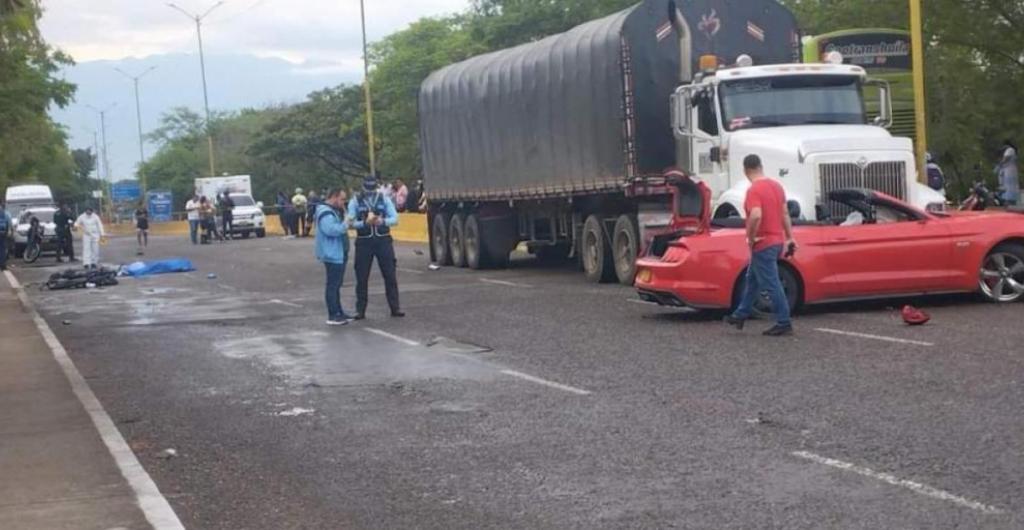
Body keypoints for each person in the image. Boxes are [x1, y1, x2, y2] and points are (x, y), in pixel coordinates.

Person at [723, 154, 795, 336]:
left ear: (746, 170)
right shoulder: (777, 186)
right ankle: (740, 314)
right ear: (761, 166)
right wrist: (789, 237)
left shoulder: (754, 190)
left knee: (771, 283)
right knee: (752, 279)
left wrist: (751, 236)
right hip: (777, 241)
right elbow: (785, 213)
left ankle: (784, 321)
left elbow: (755, 214)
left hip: (763, 243)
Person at [348, 175, 404, 319]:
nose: (370, 191)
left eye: (372, 188)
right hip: (364, 241)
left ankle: (395, 307)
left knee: (390, 275)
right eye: (368, 188)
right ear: (363, 187)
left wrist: (382, 221)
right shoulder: (355, 201)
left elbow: (395, 219)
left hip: (383, 240)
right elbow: (350, 222)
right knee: (362, 277)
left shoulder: (384, 199)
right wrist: (364, 223)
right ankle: (360, 310)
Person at [315, 188, 354, 325]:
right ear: (334, 197)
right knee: (332, 285)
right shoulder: (325, 213)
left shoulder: (333, 211)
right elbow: (331, 230)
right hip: (332, 253)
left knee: (337, 284)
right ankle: (333, 314)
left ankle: (339, 311)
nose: (343, 202)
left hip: (338, 252)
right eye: (342, 199)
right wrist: (346, 223)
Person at [997, 140, 1020, 205]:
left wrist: (999, 164)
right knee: (1007, 186)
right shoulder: (1011, 150)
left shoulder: (1010, 149)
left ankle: (1009, 201)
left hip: (1009, 170)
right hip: (1009, 170)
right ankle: (1009, 200)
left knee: (1009, 187)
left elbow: (1006, 158)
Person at [0, 203, 10, 271]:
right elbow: (8, 222)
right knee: (2, 248)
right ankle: (3, 265)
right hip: (3, 232)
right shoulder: (5, 213)